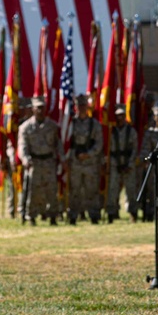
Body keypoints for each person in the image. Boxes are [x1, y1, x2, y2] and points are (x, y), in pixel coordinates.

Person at [18, 97, 61, 226]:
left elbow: (58, 144)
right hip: (34, 162)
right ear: (33, 109)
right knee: (33, 191)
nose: (40, 110)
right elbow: (22, 146)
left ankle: (53, 216)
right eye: (38, 108)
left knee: (51, 190)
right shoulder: (25, 127)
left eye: (42, 107)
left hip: (48, 161)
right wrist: (25, 159)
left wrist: (62, 159)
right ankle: (30, 216)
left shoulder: (52, 126)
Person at [67, 93, 103, 224]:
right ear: (75, 106)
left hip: (90, 162)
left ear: (87, 107)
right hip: (75, 162)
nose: (81, 108)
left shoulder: (94, 124)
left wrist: (89, 154)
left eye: (83, 105)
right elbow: (66, 143)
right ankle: (73, 216)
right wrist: (72, 156)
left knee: (91, 190)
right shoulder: (70, 124)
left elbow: (99, 143)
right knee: (75, 190)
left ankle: (94, 215)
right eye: (79, 105)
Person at [106, 105, 139, 222]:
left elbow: (135, 149)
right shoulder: (111, 131)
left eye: (122, 115)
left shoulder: (131, 131)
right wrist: (114, 164)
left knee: (131, 190)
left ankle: (133, 213)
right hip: (115, 165)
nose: (119, 118)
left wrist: (129, 164)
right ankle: (111, 212)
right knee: (113, 190)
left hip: (128, 164)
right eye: (117, 116)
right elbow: (109, 151)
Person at [1, 97, 32, 220]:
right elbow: (8, 141)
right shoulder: (12, 123)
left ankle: (24, 209)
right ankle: (12, 211)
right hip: (13, 157)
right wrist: (10, 157)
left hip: (26, 158)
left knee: (26, 186)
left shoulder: (28, 124)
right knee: (12, 187)